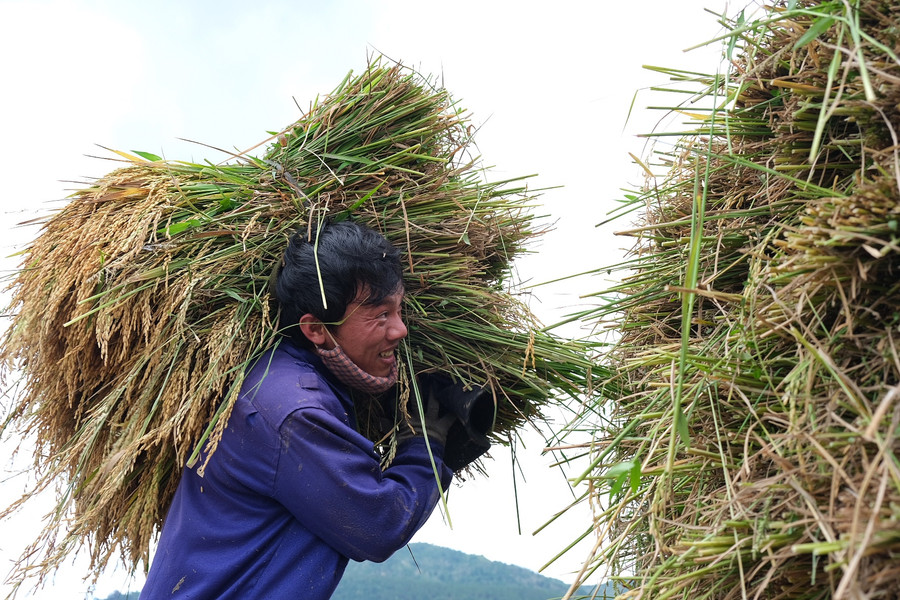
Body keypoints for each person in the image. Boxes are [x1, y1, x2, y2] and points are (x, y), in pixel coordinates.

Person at [140, 219, 457, 599]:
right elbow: (377, 525)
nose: (400, 330)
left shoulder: (282, 382)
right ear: (316, 329)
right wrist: (426, 446)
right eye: (380, 314)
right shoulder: (293, 412)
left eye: (399, 309)